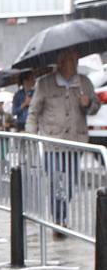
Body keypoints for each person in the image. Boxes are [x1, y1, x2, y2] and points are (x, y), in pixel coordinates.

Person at [28, 49, 101, 232]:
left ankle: (60, 214)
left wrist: (88, 104)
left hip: (75, 142)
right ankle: (59, 220)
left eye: (75, 59)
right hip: (52, 142)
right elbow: (33, 112)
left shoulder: (84, 82)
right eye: (68, 59)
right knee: (56, 180)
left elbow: (95, 107)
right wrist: (31, 135)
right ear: (60, 62)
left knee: (69, 183)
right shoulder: (45, 84)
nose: (73, 63)